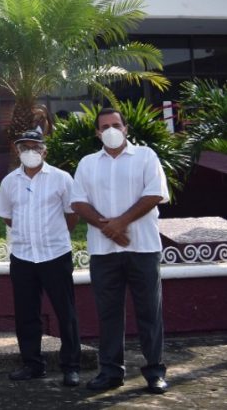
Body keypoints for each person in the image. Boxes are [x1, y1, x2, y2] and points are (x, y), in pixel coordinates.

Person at [71, 108, 170, 395]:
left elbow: (154, 194)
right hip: (104, 251)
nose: (111, 130)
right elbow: (78, 202)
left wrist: (120, 224)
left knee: (150, 311)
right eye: (105, 126)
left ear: (126, 129)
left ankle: (155, 372)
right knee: (109, 313)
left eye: (116, 124)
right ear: (97, 133)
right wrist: (109, 229)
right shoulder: (88, 163)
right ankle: (111, 372)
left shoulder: (145, 156)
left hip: (142, 247)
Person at [0, 130, 82, 387]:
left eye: (36, 147)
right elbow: (7, 216)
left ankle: (71, 366)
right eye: (25, 147)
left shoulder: (61, 178)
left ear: (45, 150)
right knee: (25, 313)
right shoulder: (10, 181)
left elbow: (72, 214)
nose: (30, 152)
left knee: (65, 311)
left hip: (55, 253)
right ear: (17, 151)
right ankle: (32, 364)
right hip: (22, 255)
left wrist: (53, 234)